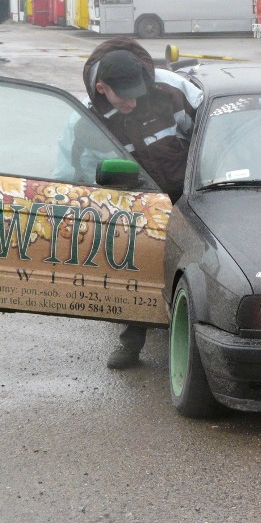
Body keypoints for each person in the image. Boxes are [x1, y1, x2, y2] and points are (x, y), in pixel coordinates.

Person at [81, 37, 202, 369]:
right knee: (138, 266)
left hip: (189, 197)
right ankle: (132, 341)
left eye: (138, 94)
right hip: (138, 206)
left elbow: (210, 135)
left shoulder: (172, 90)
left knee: (198, 270)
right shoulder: (89, 118)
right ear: (103, 87)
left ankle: (196, 342)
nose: (133, 102)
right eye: (125, 97)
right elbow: (80, 169)